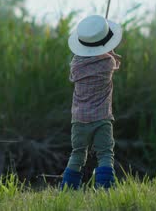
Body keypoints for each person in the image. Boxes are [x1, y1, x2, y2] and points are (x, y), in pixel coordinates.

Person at [60, 15, 122, 190]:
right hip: (102, 118)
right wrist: (109, 52)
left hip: (79, 119)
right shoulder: (109, 63)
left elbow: (75, 73)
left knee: (77, 154)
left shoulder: (76, 65)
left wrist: (102, 50)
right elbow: (117, 63)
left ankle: (68, 189)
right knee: (105, 154)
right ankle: (105, 189)